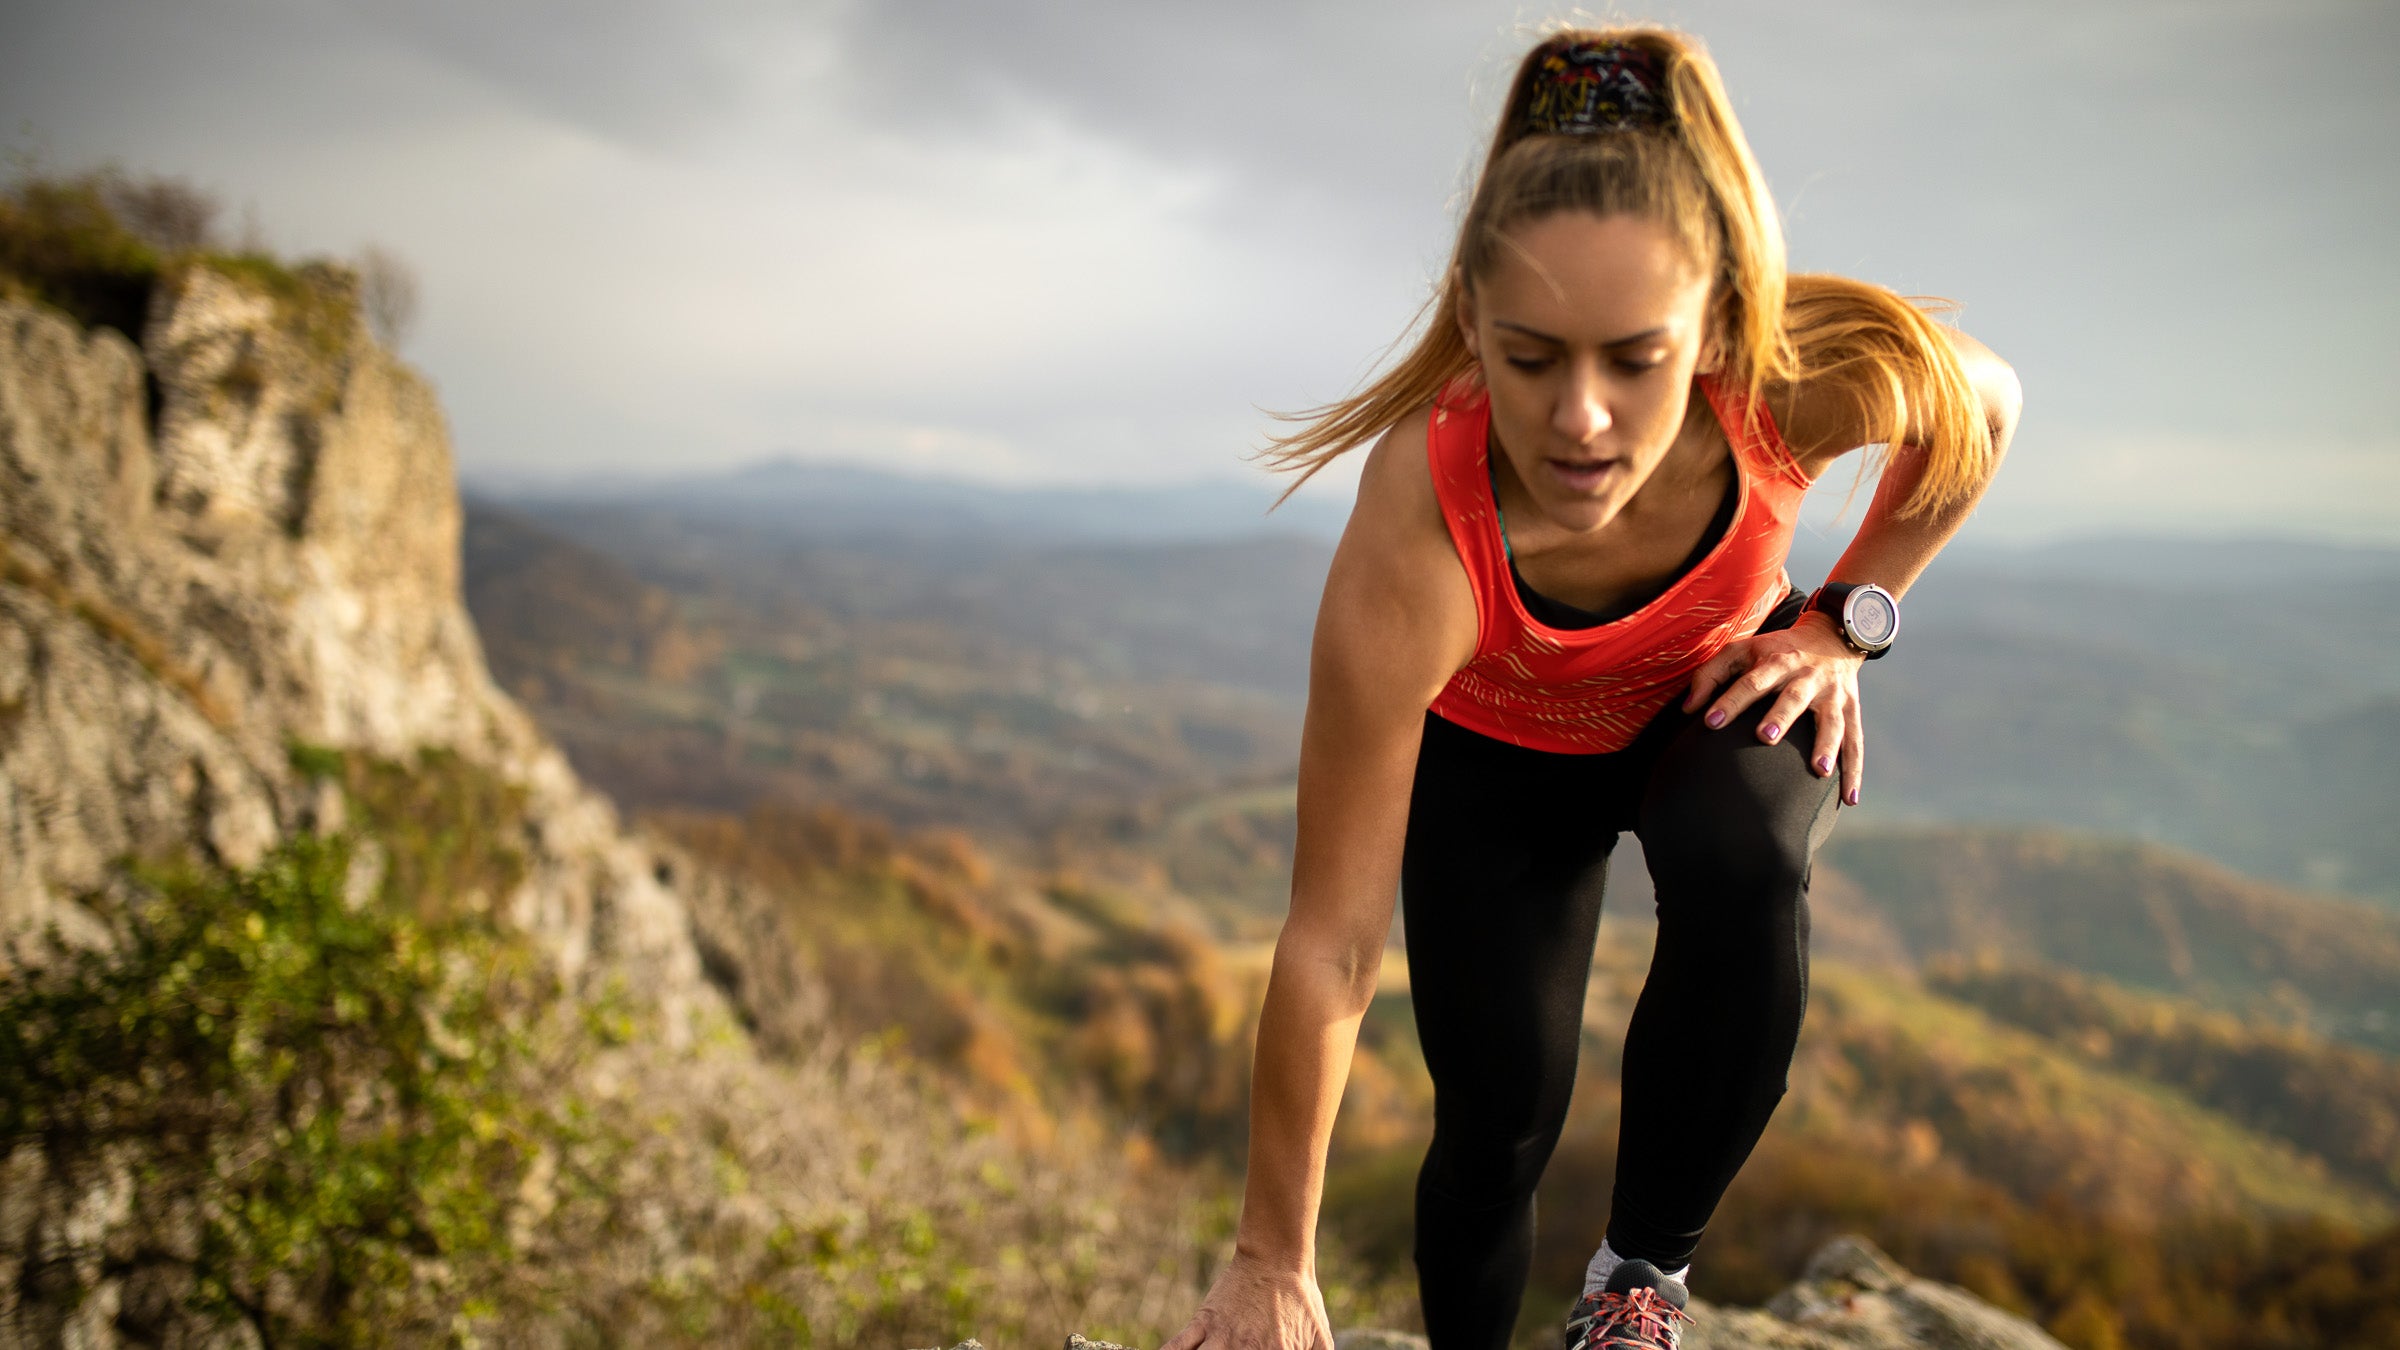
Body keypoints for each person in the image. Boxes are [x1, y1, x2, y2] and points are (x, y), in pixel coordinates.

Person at [1160, 24, 2022, 1350]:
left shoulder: (1790, 379)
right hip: (1499, 767)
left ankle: (1640, 1279)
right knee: (1497, 1114)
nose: (1581, 418)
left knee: (1743, 851)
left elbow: (1985, 406)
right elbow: (1330, 938)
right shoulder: (1423, 528)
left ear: (1717, 325)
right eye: (1532, 355)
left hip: (1710, 703)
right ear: (1472, 326)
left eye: (1635, 359)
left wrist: (1846, 622)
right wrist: (1271, 1256)